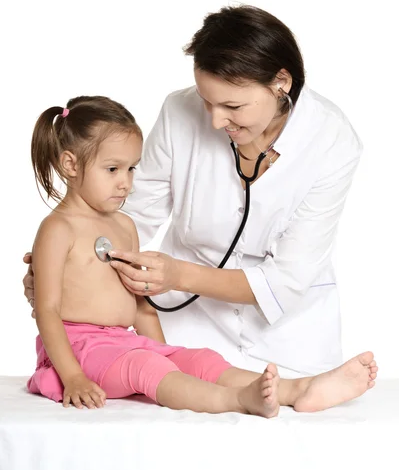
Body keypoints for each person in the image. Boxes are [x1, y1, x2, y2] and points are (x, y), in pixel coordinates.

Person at [24, 5, 364, 377]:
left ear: (281, 82)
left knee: (283, 400)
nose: (216, 120)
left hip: (289, 336)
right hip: (188, 320)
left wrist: (179, 276)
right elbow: (125, 214)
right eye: (207, 101)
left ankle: (298, 388)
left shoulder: (332, 139)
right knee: (188, 382)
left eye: (233, 106)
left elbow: (286, 279)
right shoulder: (178, 111)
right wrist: (69, 267)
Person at [26, 95, 377, 416]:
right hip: (80, 349)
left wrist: (166, 354)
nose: (126, 183)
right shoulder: (58, 229)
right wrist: (72, 376)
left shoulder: (123, 226)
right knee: (148, 368)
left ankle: (298, 388)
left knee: (198, 358)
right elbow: (47, 310)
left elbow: (142, 304)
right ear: (70, 165)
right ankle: (239, 400)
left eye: (132, 169)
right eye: (113, 169)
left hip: (122, 343)